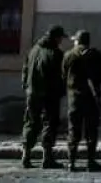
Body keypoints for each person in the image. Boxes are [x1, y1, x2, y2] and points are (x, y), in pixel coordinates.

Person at [20, 25, 66, 169]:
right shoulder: (56, 54)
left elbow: (25, 70)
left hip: (32, 93)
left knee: (30, 122)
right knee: (49, 123)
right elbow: (60, 76)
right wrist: (61, 91)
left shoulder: (33, 50)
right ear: (56, 38)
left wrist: (26, 87)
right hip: (49, 94)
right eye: (60, 38)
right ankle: (47, 157)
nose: (61, 41)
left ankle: (26, 155)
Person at [62, 30, 101, 173]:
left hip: (74, 97)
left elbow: (63, 74)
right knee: (91, 131)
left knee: (73, 130)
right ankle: (90, 161)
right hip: (91, 97)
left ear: (77, 41)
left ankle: (71, 162)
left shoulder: (68, 55)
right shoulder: (96, 55)